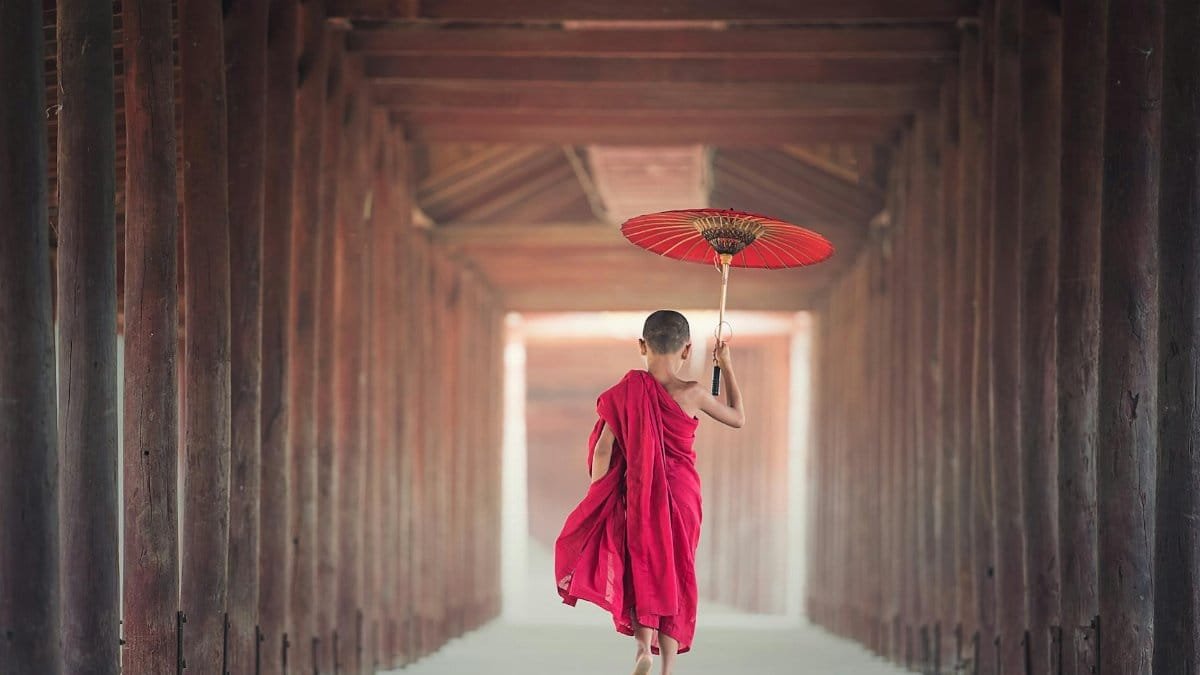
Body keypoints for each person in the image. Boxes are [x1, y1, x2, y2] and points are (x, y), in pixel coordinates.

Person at [554, 310, 745, 675]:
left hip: (639, 494)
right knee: (677, 571)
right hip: (683, 496)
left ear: (642, 346)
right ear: (687, 350)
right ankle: (667, 667)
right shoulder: (692, 392)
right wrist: (727, 365)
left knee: (643, 567)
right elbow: (738, 417)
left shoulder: (624, 393)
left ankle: (643, 648)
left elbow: (603, 449)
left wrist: (600, 494)